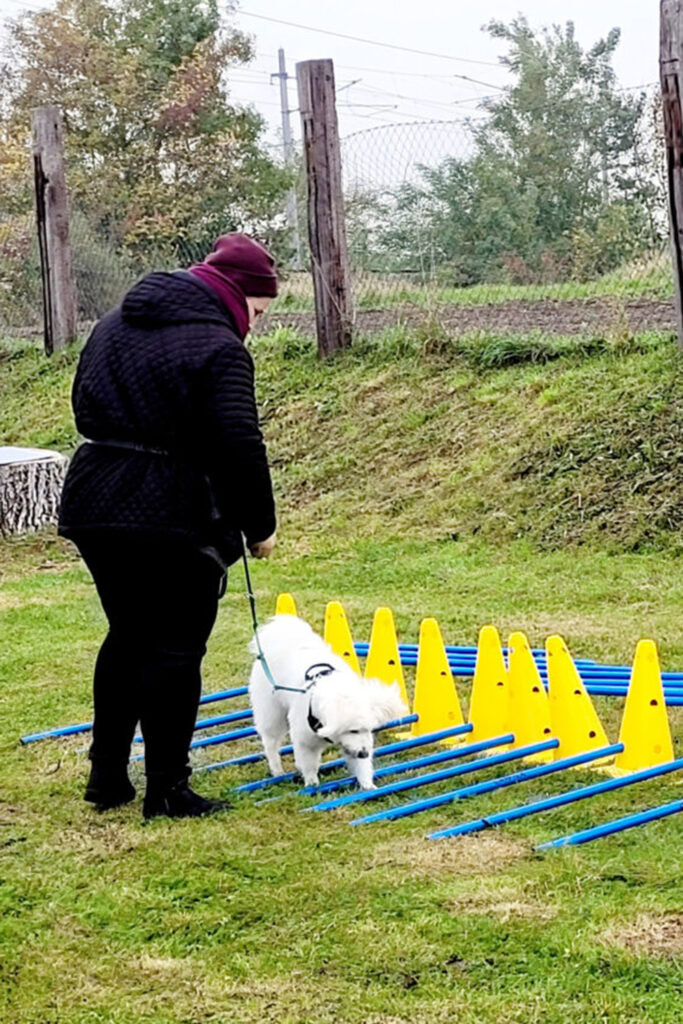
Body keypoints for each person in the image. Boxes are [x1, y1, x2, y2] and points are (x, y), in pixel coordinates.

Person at [58, 232, 278, 820]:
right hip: (170, 510)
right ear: (239, 295)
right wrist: (259, 524)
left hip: (95, 495)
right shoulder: (219, 345)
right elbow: (238, 443)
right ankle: (167, 789)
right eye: (258, 311)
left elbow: (83, 400)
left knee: (127, 636)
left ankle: (106, 778)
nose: (254, 325)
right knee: (176, 649)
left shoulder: (110, 325)